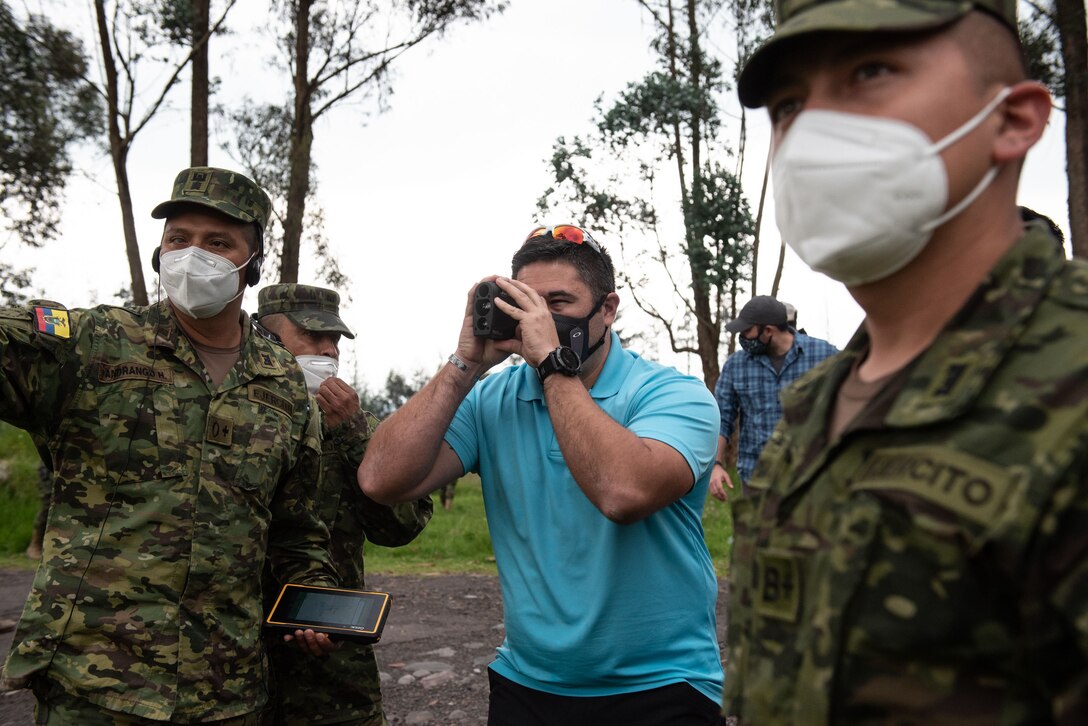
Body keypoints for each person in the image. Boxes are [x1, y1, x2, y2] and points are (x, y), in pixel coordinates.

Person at [724, 0, 1085, 722]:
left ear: (1014, 119)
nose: (812, 131)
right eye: (790, 102)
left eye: (872, 70)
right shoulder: (817, 406)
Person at [0, 166, 339, 723]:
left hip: (226, 689)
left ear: (252, 265)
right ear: (159, 252)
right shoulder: (93, 343)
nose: (193, 255)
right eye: (178, 239)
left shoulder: (283, 385)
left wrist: (316, 602)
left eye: (218, 242)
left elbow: (297, 531)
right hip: (92, 686)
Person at [360, 225, 724, 725]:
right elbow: (381, 480)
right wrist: (465, 362)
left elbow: (624, 492)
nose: (542, 319)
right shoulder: (494, 397)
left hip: (662, 684)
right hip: (528, 683)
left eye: (560, 301)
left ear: (609, 310)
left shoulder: (672, 394)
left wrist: (554, 367)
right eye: (528, 302)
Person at [254, 283, 434, 726]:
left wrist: (354, 437)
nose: (329, 349)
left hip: (331, 668)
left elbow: (402, 527)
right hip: (238, 659)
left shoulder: (365, 428)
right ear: (266, 339)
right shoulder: (233, 418)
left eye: (335, 340)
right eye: (314, 337)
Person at [710, 295, 837, 501]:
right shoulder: (736, 366)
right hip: (757, 478)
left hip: (812, 478)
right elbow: (720, 419)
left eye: (746, 331)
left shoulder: (825, 356)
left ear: (768, 330)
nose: (742, 337)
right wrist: (715, 465)